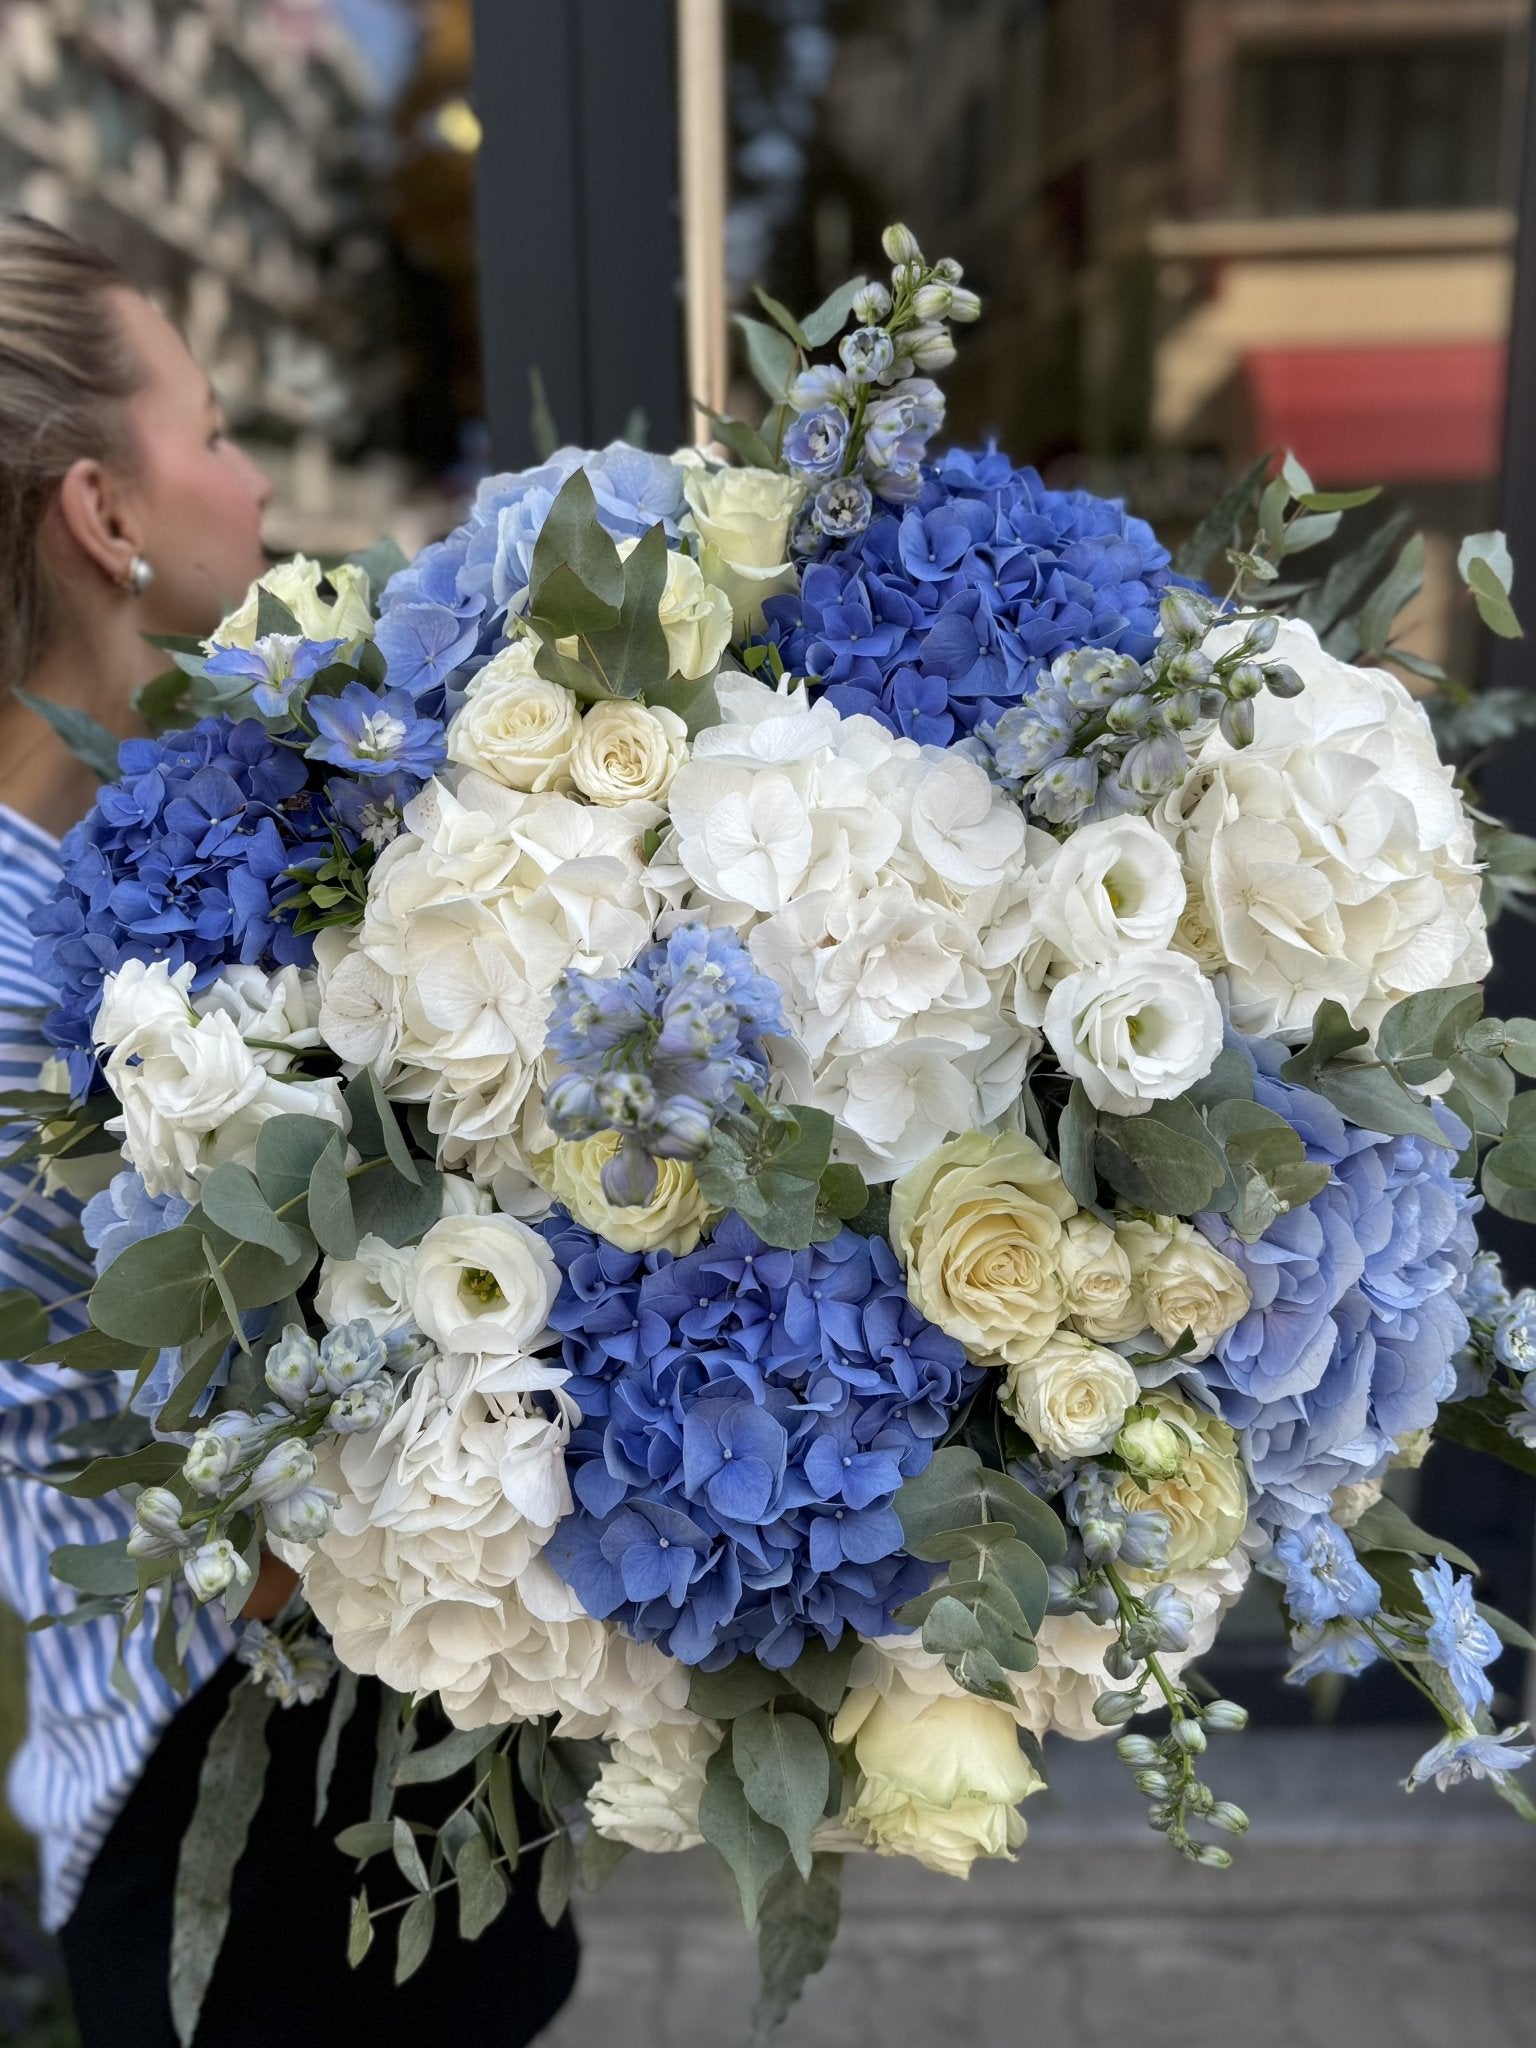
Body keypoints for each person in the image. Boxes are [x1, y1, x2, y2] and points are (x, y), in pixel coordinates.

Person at [0, 216, 579, 2046]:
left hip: (350, 1767)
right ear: (105, 513)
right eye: (218, 426)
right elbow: (85, 1456)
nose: (252, 479)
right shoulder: (22, 948)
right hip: (227, 1816)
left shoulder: (151, 848)